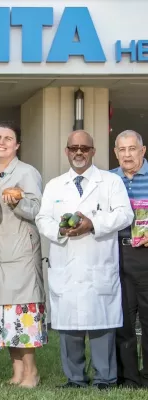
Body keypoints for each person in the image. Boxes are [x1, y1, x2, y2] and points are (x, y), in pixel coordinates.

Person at [35, 130, 134, 390]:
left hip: (98, 262)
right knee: (69, 326)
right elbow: (42, 219)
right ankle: (75, 379)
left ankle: (105, 379)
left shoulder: (110, 182)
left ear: (93, 152)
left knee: (102, 325)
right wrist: (60, 230)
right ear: (66, 151)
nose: (79, 152)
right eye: (74, 148)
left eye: (84, 148)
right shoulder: (55, 185)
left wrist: (93, 224)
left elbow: (125, 215)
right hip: (65, 262)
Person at [0, 121, 47, 389]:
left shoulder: (27, 172)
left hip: (21, 249)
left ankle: (31, 373)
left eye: (8, 138)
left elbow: (38, 209)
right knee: (5, 312)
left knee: (22, 310)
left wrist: (18, 201)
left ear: (17, 145)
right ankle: (17, 371)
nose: (2, 142)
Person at [112, 130, 148, 388]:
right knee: (122, 318)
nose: (127, 155)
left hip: (146, 255)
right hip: (115, 254)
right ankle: (128, 378)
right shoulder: (108, 179)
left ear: (142, 151)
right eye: (122, 150)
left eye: (132, 149)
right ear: (116, 153)